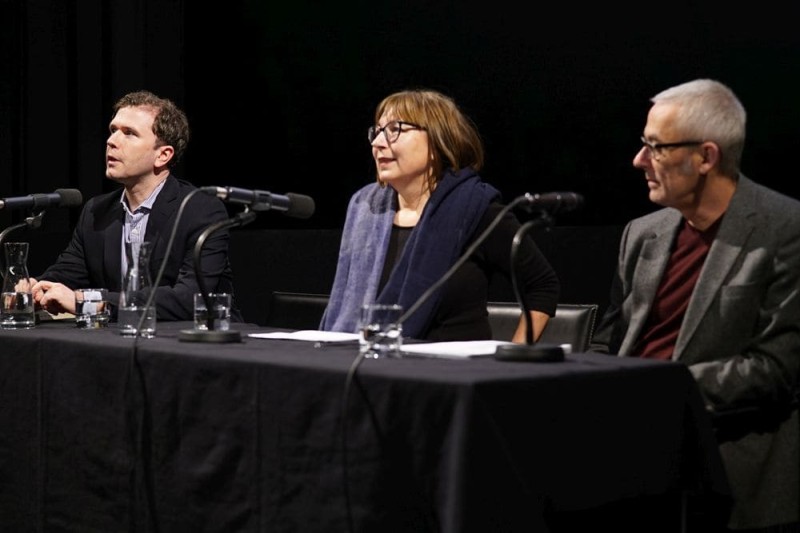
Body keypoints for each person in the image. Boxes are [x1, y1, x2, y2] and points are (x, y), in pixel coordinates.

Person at [591, 79, 800, 531]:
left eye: (656, 147)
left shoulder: (786, 230)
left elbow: (775, 371)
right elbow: (609, 343)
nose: (639, 160)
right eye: (642, 144)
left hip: (727, 456)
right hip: (629, 450)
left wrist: (659, 391)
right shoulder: (642, 233)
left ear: (707, 157)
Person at [320, 89, 560, 342]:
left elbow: (542, 285)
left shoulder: (475, 210)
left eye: (395, 130)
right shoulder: (364, 209)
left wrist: (515, 358)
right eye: (377, 131)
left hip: (453, 373)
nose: (378, 142)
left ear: (437, 142)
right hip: (370, 365)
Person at [30, 90, 241, 322]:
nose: (111, 141)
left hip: (198, 345)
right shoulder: (95, 211)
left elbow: (189, 298)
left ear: (162, 155)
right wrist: (38, 287)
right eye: (113, 130)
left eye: (129, 133)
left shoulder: (200, 210)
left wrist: (89, 303)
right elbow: (68, 273)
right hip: (122, 342)